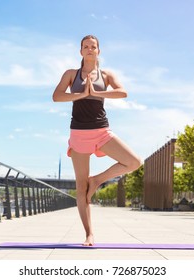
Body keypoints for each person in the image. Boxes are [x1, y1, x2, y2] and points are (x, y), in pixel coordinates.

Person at [52, 35, 142, 246]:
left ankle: (98, 180)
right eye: (86, 46)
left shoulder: (106, 75)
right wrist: (81, 94)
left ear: (98, 51)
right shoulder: (71, 74)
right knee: (81, 188)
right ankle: (89, 234)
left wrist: (97, 92)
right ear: (81, 51)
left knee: (134, 162)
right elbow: (56, 96)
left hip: (101, 130)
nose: (90, 49)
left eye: (93, 46)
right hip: (79, 133)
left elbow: (123, 92)